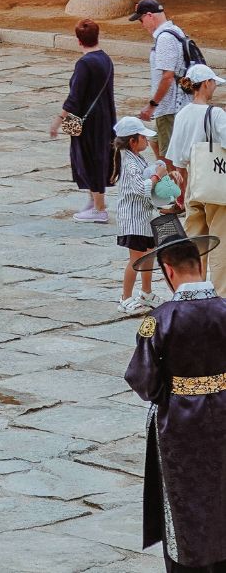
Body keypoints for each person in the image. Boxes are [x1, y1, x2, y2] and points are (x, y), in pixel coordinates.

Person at [125, 213, 225, 573]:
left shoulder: (160, 320)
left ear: (167, 269)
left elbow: (145, 382)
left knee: (187, 500)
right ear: (199, 262)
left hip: (180, 423)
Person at [167, 64, 226, 294]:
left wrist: (180, 192)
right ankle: (221, 295)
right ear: (207, 84)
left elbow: (176, 157)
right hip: (215, 182)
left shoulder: (182, 114)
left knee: (194, 240)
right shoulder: (216, 114)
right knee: (221, 240)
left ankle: (190, 289)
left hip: (193, 181)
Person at [51, 19, 116, 224]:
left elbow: (75, 97)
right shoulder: (106, 59)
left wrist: (58, 121)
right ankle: (93, 201)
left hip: (88, 122)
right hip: (105, 117)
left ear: (78, 41)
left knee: (90, 160)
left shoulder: (84, 64)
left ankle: (99, 208)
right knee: (97, 158)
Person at [111, 117, 167, 314]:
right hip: (133, 220)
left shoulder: (136, 158)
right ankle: (125, 297)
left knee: (149, 254)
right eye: (143, 138)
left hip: (144, 218)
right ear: (133, 141)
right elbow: (140, 188)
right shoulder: (130, 163)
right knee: (136, 259)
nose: (146, 141)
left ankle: (146, 292)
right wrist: (157, 176)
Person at [131, 0, 189, 170]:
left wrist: (152, 105)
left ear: (149, 16)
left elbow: (167, 77)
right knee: (154, 142)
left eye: (141, 20)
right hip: (173, 106)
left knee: (169, 160)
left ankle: (176, 194)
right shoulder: (175, 31)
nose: (142, 25)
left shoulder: (164, 38)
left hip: (169, 108)